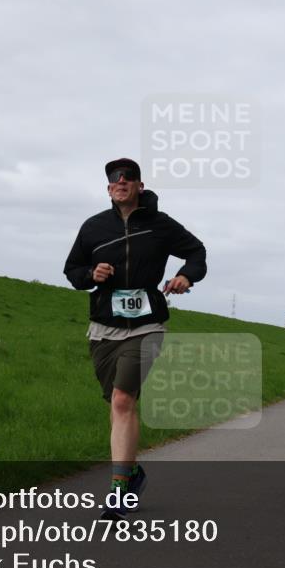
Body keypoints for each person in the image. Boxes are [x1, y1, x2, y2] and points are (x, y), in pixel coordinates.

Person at [64, 158, 207, 519]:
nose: (122, 182)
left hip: (147, 325)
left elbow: (196, 252)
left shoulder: (159, 225)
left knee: (124, 399)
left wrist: (185, 277)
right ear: (109, 188)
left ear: (140, 186)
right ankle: (132, 471)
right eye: (115, 179)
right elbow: (72, 270)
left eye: (129, 178)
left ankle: (117, 489)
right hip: (103, 327)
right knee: (116, 404)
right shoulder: (93, 227)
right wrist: (91, 274)